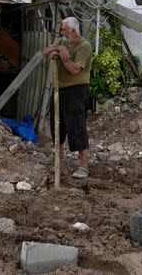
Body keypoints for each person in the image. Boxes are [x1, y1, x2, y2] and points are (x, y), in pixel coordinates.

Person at [42, 17, 93, 179]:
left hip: (76, 91)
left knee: (77, 126)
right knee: (56, 124)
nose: (62, 32)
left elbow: (74, 70)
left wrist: (63, 55)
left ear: (73, 30)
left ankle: (83, 165)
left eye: (64, 29)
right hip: (59, 89)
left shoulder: (84, 46)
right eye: (62, 29)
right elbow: (45, 52)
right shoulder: (62, 41)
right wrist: (58, 48)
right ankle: (59, 157)